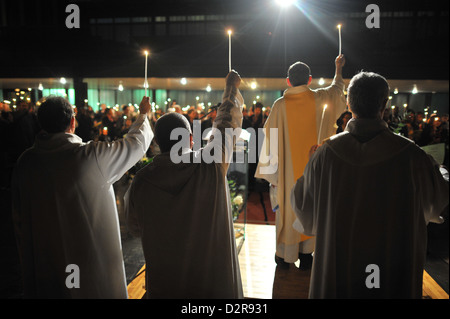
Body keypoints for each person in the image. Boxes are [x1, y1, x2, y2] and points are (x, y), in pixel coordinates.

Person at [291, 71, 448, 299]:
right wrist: (441, 171)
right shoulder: (413, 156)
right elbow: (438, 200)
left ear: (348, 102)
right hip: (390, 268)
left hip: (339, 267)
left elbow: (303, 205)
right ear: (384, 104)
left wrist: (310, 165)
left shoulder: (325, 154)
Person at [12, 95, 153, 298]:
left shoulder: (25, 163)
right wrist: (143, 114)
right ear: (72, 121)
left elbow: (18, 217)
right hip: (87, 264)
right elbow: (136, 143)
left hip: (45, 261)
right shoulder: (88, 157)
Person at [125, 70, 244, 299]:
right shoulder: (210, 163)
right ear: (191, 138)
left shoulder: (141, 180)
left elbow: (135, 228)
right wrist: (231, 88)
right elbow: (226, 124)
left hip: (166, 283)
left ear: (157, 142)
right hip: (211, 285)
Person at [255, 54, 346, 269]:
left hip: (287, 176)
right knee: (311, 207)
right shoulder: (321, 99)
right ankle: (306, 255)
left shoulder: (279, 105)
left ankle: (285, 256)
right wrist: (338, 68)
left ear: (288, 81)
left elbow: (270, 141)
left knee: (288, 208)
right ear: (310, 80)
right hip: (314, 174)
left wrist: (272, 176)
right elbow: (337, 90)